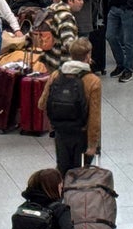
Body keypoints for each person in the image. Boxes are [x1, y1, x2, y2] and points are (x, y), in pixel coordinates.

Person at [38, 38, 101, 173]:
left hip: (61, 132)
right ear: (88, 55)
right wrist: (93, 145)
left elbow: (42, 104)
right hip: (81, 134)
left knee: (63, 169)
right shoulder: (93, 81)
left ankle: (62, 193)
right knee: (80, 174)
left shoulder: (56, 75)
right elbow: (94, 117)